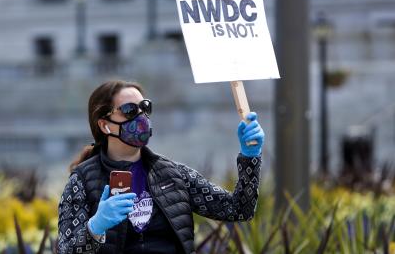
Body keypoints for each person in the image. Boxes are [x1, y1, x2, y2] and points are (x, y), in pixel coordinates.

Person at [57, 80, 264, 254]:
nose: (140, 117)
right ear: (105, 125)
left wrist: (250, 157)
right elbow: (66, 250)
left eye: (144, 108)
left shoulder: (173, 174)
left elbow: (238, 209)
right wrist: (94, 228)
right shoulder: (82, 181)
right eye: (129, 110)